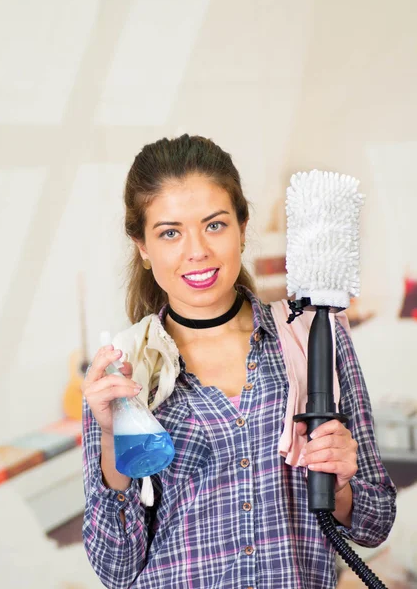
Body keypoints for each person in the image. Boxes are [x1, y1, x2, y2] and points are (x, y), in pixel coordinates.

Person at [82, 134, 396, 589]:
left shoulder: (314, 339)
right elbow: (116, 567)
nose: (197, 251)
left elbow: (375, 523)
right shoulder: (123, 369)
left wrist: (341, 483)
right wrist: (111, 439)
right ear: (143, 248)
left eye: (215, 225)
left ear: (242, 228)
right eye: (170, 232)